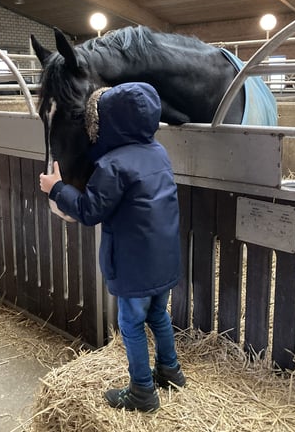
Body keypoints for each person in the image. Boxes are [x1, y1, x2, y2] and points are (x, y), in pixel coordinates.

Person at [38, 82, 186, 412]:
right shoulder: (158, 152)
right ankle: (170, 371)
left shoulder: (113, 165)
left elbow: (90, 211)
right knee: (158, 315)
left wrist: (56, 188)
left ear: (110, 124)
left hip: (134, 265)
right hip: (165, 260)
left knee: (131, 324)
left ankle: (142, 391)